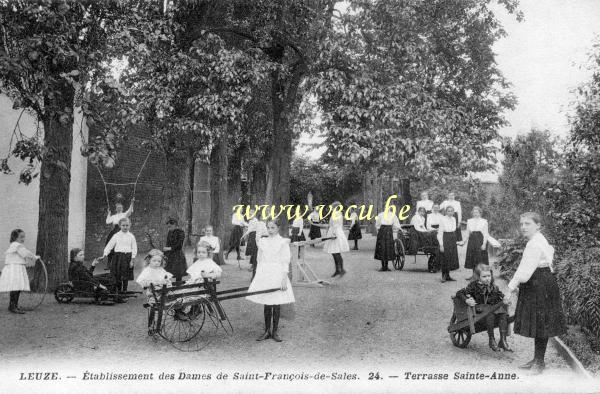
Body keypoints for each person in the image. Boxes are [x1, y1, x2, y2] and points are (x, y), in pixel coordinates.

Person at [505, 212, 566, 375]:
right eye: (522, 224)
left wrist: (510, 288)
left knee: (541, 322)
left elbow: (524, 271)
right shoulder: (539, 239)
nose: (523, 227)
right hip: (542, 280)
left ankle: (539, 362)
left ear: (538, 225)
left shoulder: (534, 243)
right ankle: (537, 359)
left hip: (539, 283)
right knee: (540, 322)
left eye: (528, 224)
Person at [246, 219, 295, 342]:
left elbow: (285, 261)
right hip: (265, 273)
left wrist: (284, 278)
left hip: (278, 273)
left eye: (273, 228)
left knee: (276, 302)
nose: (270, 230)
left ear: (278, 228)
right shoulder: (263, 241)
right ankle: (267, 330)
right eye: (268, 228)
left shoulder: (283, 242)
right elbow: (260, 259)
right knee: (267, 302)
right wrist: (259, 276)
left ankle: (275, 331)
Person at [456, 264, 512, 352]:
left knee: (503, 313)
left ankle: (503, 340)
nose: (487, 278)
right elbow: (460, 293)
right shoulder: (473, 286)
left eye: (489, 276)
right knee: (490, 312)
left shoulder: (493, 287)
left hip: (490, 308)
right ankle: (491, 340)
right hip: (479, 310)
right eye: (484, 276)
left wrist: (505, 298)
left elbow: (500, 295)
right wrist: (467, 300)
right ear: (478, 277)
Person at [135, 249, 177, 331]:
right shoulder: (147, 270)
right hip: (153, 293)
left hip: (163, 291)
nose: (156, 263)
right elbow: (142, 282)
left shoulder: (161, 270)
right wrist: (153, 282)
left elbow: (167, 279)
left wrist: (167, 282)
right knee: (157, 300)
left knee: (173, 294)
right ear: (149, 260)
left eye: (159, 261)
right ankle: (152, 325)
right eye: (154, 261)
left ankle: (178, 311)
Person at [0, 229, 39, 314]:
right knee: (15, 287)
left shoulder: (15, 245)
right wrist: (35, 257)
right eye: (21, 237)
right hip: (15, 269)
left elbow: (24, 253)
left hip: (16, 268)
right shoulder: (17, 245)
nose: (23, 238)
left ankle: (14, 305)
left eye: (24, 237)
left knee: (16, 288)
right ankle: (13, 306)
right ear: (15, 237)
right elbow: (25, 253)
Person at [103, 217, 137, 302]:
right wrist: (105, 254)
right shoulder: (116, 235)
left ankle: (124, 293)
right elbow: (109, 246)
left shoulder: (131, 236)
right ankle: (118, 293)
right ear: (120, 226)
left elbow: (134, 248)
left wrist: (132, 260)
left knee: (125, 276)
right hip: (118, 257)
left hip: (127, 258)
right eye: (123, 225)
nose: (125, 227)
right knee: (117, 275)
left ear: (130, 225)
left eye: (127, 225)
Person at [318, 201, 350, 277]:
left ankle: (341, 269)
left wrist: (333, 234)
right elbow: (332, 224)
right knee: (334, 252)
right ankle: (337, 270)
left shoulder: (337, 213)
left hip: (335, 232)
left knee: (336, 252)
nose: (331, 208)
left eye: (332, 207)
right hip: (334, 231)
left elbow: (336, 225)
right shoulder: (336, 213)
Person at [459, 206, 490, 280]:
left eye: (477, 212)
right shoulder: (469, 221)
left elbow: (486, 234)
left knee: (480, 259)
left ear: (480, 213)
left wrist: (484, 244)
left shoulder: (484, 221)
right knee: (472, 258)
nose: (475, 214)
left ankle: (480, 276)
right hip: (472, 240)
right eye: (474, 212)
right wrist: (464, 241)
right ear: (472, 213)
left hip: (480, 240)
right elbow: (467, 233)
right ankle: (473, 276)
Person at [105, 199, 134, 272]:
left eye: (120, 207)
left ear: (122, 208)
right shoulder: (114, 216)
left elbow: (129, 211)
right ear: (116, 208)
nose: (119, 209)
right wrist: (108, 213)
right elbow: (107, 221)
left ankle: (125, 264)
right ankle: (109, 263)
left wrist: (132, 203)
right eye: (118, 207)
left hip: (122, 231)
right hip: (114, 231)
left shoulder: (124, 214)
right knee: (111, 246)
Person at [438, 206, 460, 282]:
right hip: (445, 237)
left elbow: (454, 229)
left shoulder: (454, 219)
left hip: (452, 238)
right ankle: (443, 276)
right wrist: (441, 244)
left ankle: (448, 275)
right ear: (446, 212)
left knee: (451, 257)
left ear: (453, 212)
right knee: (445, 257)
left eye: (451, 211)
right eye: (448, 211)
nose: (450, 212)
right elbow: (440, 233)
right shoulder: (442, 219)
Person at [163, 218, 187, 282]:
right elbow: (168, 243)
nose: (169, 228)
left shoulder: (181, 232)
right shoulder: (169, 232)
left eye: (170, 226)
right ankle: (169, 284)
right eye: (168, 227)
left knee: (178, 271)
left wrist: (170, 248)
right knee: (169, 270)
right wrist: (165, 251)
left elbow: (179, 245)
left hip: (178, 254)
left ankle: (179, 283)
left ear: (175, 225)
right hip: (170, 254)